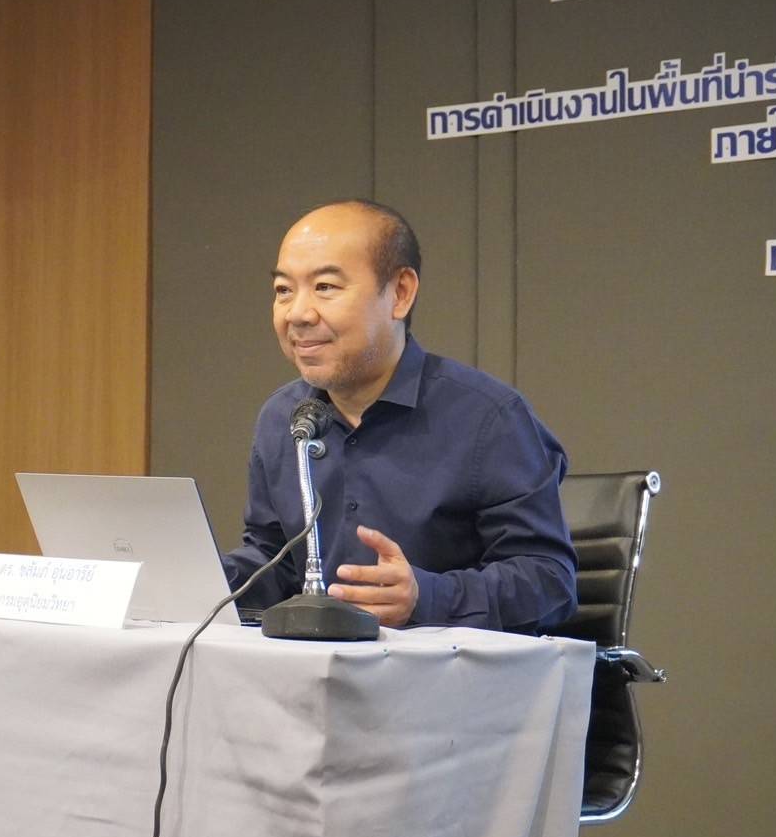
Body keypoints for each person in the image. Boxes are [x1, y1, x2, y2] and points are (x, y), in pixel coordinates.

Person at [222, 200, 577, 633]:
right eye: (283, 290)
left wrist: (425, 597)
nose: (297, 314)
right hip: (319, 667)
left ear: (400, 293)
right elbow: (274, 560)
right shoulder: (283, 418)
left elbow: (549, 582)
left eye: (326, 287)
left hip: (445, 670)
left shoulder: (489, 419)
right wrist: (201, 579)